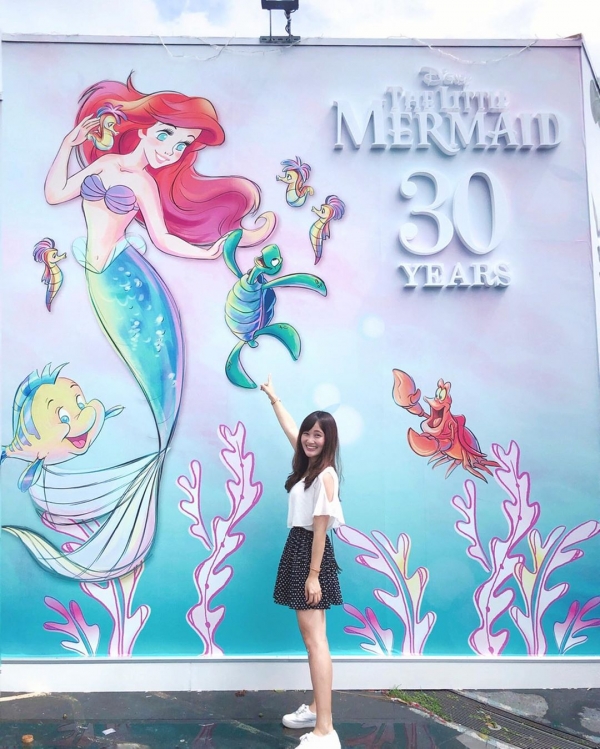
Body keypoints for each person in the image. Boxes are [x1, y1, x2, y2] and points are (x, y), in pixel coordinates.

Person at [4, 76, 274, 581]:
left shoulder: (146, 185)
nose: (170, 149)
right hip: (102, 277)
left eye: (182, 144)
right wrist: (69, 142)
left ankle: (130, 500)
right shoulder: (104, 165)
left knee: (153, 385)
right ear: (145, 127)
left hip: (131, 282)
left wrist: (218, 250)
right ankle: (96, 490)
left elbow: (166, 240)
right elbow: (55, 192)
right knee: (134, 381)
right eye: (166, 134)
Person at [261, 375, 344, 749]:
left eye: (318, 435)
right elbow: (291, 430)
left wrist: (313, 576)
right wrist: (275, 398)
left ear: (329, 441)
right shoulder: (309, 468)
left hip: (310, 553)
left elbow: (320, 530)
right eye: (308, 433)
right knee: (317, 639)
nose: (310, 439)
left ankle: (325, 730)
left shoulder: (325, 476)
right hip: (300, 548)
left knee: (316, 643)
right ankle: (315, 710)